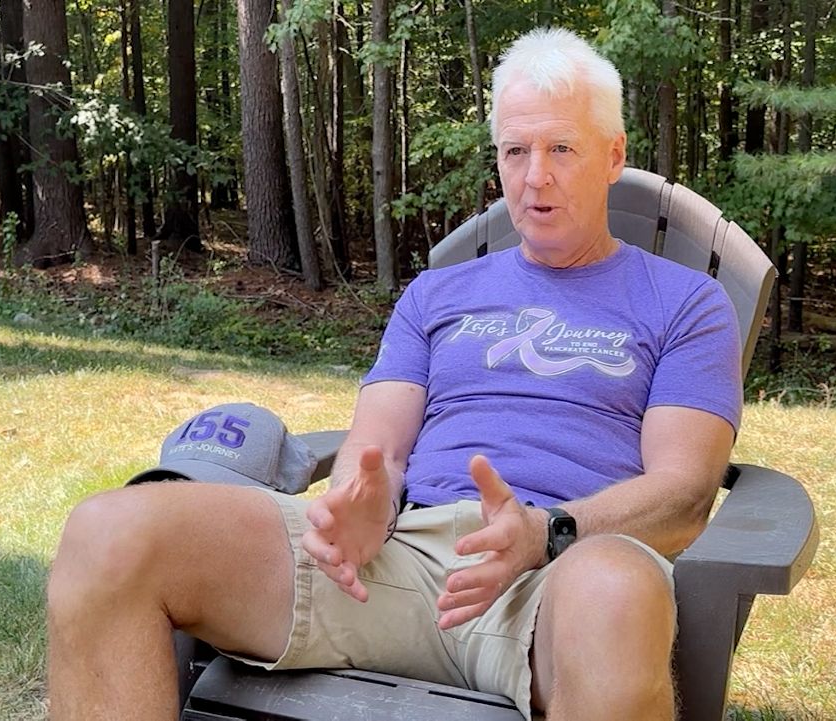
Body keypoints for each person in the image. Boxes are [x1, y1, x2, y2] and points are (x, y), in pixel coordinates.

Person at [46, 27, 741, 721]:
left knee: (615, 592)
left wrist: (546, 530)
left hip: (561, 577)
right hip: (399, 559)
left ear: (613, 155)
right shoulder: (436, 295)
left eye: (562, 147)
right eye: (515, 151)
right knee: (108, 533)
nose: (535, 177)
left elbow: (682, 496)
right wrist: (363, 508)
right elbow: (378, 451)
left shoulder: (685, 302)